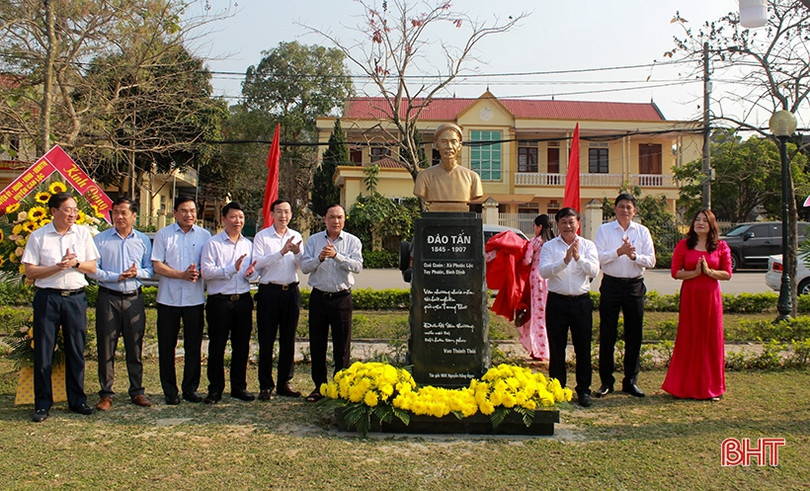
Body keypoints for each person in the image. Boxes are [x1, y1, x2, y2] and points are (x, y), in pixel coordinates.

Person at [22, 192, 100, 422]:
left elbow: (92, 267)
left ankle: (77, 400)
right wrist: (57, 267)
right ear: (54, 211)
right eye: (68, 209)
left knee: (76, 350)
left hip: (75, 298)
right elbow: (30, 271)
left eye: (75, 210)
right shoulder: (39, 236)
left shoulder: (83, 233)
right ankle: (42, 404)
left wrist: (74, 263)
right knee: (44, 351)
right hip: (48, 298)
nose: (73, 214)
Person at [91, 197, 153, 411]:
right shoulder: (100, 239)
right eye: (115, 212)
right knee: (106, 346)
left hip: (134, 298)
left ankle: (137, 391)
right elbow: (93, 271)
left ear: (134, 216)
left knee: (135, 347)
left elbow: (150, 270)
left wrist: (137, 273)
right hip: (108, 297)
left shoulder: (143, 240)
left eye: (124, 212)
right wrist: (115, 276)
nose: (119, 217)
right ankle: (106, 393)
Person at [663, 209, 731, 400]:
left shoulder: (721, 246)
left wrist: (709, 272)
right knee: (689, 337)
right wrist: (694, 273)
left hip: (711, 298)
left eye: (704, 220)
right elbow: (675, 272)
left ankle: (711, 388)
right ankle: (683, 387)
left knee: (710, 339)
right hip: (690, 296)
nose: (700, 223)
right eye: (697, 220)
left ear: (711, 225)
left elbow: (727, 273)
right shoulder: (684, 245)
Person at [594, 193, 656, 398]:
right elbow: (599, 259)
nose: (624, 210)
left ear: (634, 211)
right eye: (621, 206)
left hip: (634, 286)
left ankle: (631, 381)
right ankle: (606, 382)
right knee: (607, 334)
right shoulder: (604, 230)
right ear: (614, 209)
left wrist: (633, 256)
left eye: (628, 207)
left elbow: (651, 260)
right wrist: (618, 252)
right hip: (611, 284)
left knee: (634, 335)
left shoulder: (642, 231)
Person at [151, 196, 211, 405]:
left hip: (194, 300)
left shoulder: (205, 235)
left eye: (192, 211)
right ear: (175, 213)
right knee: (167, 347)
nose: (189, 215)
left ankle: (190, 389)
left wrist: (200, 272)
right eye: (184, 211)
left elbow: (208, 265)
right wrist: (181, 275)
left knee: (193, 347)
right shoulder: (164, 235)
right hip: (168, 299)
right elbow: (157, 266)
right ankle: (170, 390)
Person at [300, 204, 363, 402]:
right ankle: (319, 387)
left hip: (341, 298)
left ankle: (340, 387)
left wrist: (337, 256)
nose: (336, 221)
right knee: (317, 344)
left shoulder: (352, 241)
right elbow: (304, 267)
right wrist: (320, 257)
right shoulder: (313, 240)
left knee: (342, 345)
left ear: (344, 220)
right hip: (319, 297)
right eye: (332, 217)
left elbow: (357, 266)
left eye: (340, 217)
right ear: (325, 219)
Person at [538, 207, 599, 407]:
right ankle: (558, 389)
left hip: (581, 302)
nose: (568, 226)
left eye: (571, 222)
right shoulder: (549, 247)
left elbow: (594, 271)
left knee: (583, 348)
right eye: (563, 222)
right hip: (557, 301)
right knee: (557, 349)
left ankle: (583, 390)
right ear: (558, 224)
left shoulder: (588, 245)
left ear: (578, 223)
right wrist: (564, 261)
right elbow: (545, 272)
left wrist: (578, 258)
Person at [200, 201, 256, 404]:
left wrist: (251, 272)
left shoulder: (248, 245)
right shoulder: (213, 244)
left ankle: (238, 387)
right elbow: (206, 272)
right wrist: (231, 269)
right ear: (224, 219)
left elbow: (253, 270)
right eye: (233, 217)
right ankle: (215, 389)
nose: (237, 221)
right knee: (217, 346)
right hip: (219, 302)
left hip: (243, 300)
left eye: (241, 217)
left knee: (241, 346)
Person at [253, 199, 303, 400]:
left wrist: (297, 252)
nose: (283, 216)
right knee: (266, 340)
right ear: (271, 214)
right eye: (279, 212)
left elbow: (301, 265)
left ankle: (284, 382)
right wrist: (282, 251)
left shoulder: (296, 235)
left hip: (290, 291)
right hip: (269, 292)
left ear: (291, 215)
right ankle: (265, 385)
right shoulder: (262, 237)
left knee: (288, 339)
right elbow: (258, 263)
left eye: (287, 212)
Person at [413, 123, 483, 212]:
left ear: (460, 145)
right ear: (436, 145)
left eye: (453, 142)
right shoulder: (424, 177)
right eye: (444, 141)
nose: (449, 147)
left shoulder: (472, 177)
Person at [519, 214, 555, 361]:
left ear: (540, 227)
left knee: (538, 316)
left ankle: (539, 350)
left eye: (534, 226)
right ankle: (549, 349)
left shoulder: (534, 242)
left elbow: (526, 261)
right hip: (551, 280)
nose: (534, 229)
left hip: (537, 280)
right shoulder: (554, 242)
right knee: (549, 316)